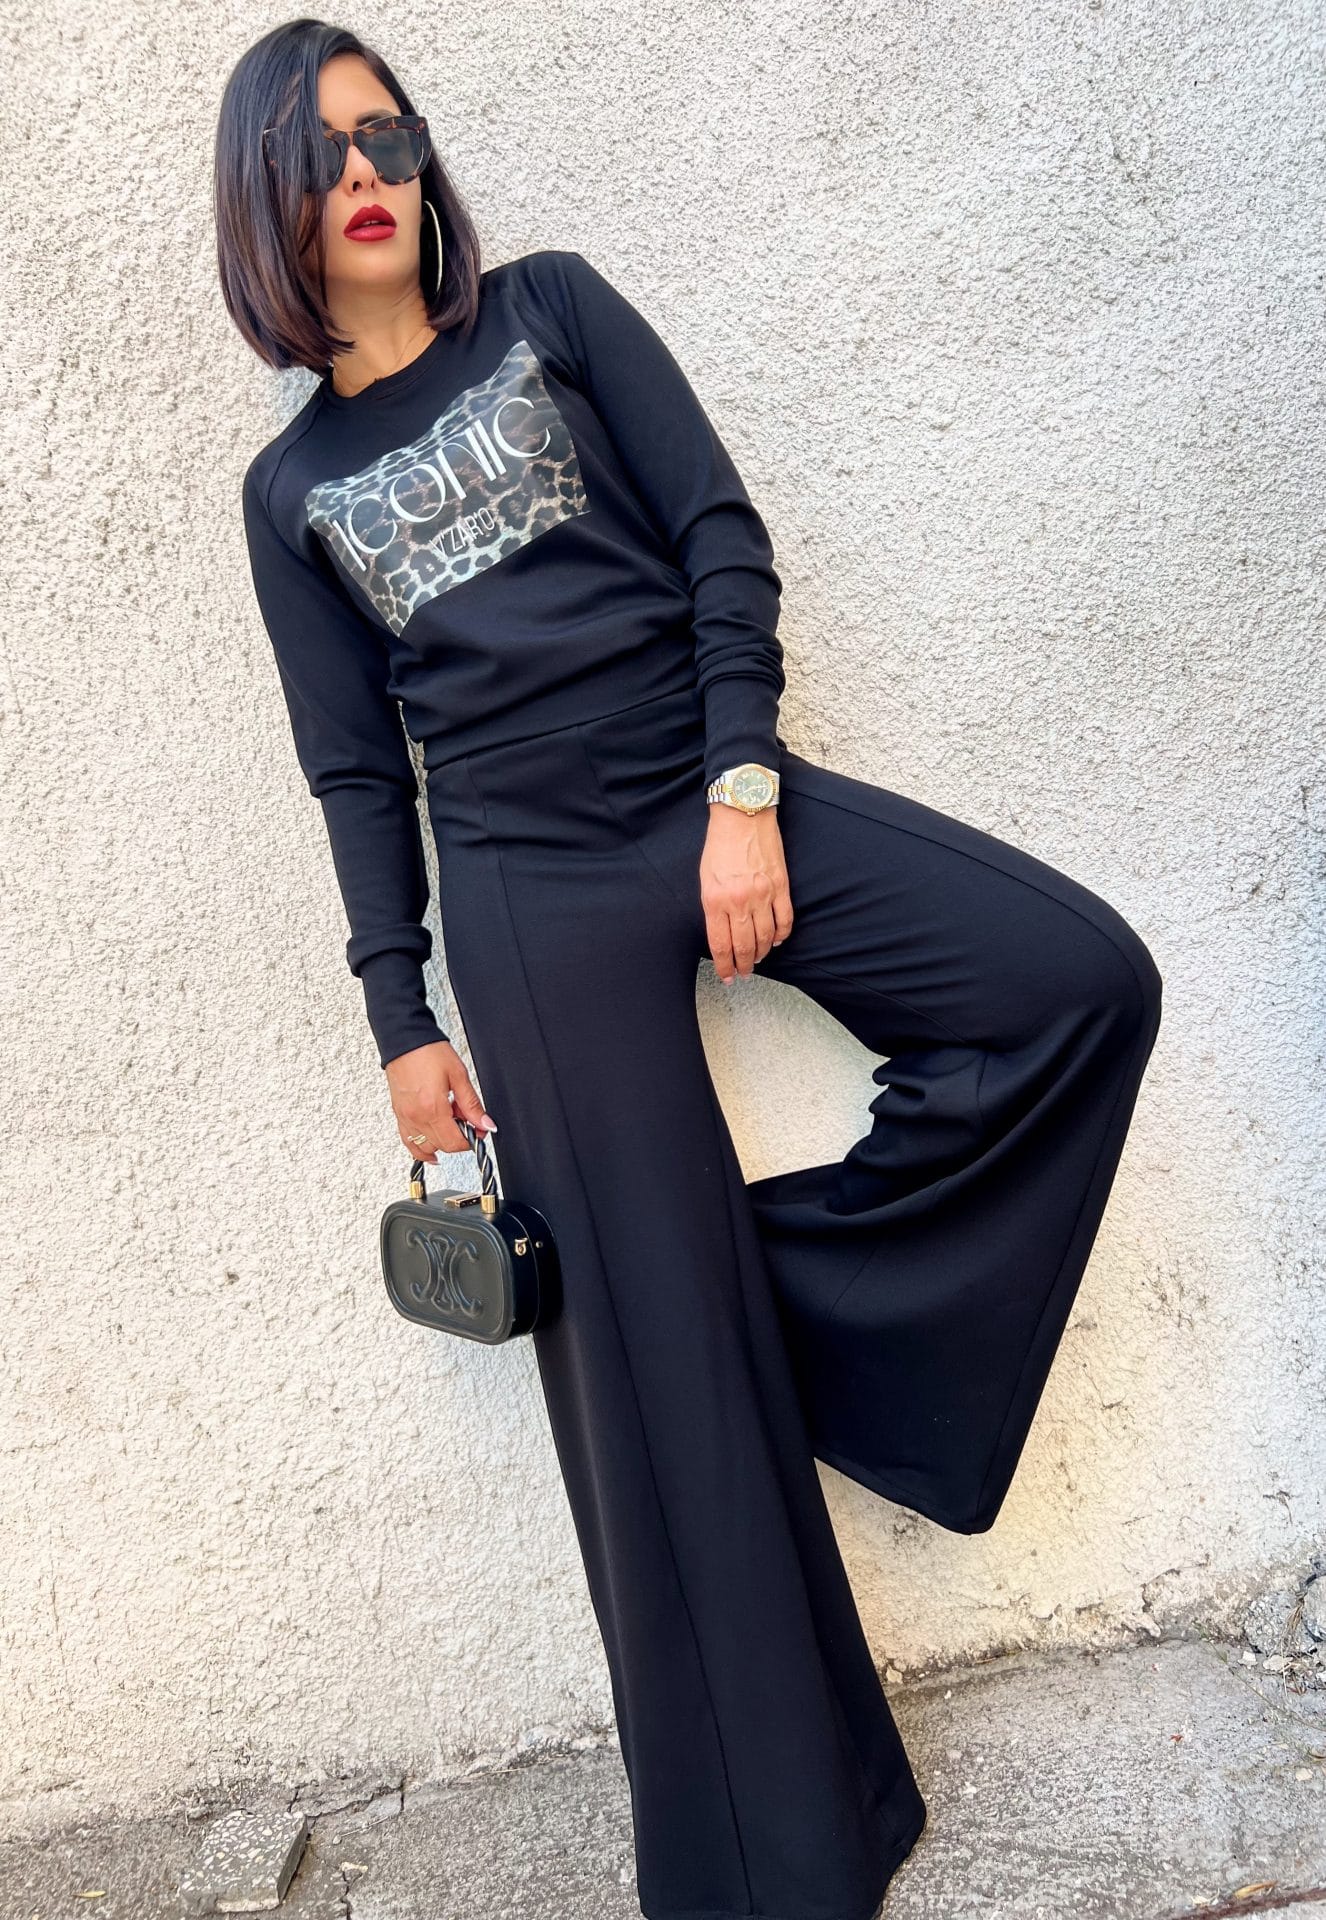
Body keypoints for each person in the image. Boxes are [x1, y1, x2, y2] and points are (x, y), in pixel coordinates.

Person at [215, 20, 1163, 1919]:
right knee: (644, 1406)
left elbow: (722, 540)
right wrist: (400, 1019)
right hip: (522, 888)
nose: (367, 172)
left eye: (385, 133)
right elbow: (355, 772)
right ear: (269, 206)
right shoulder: (290, 488)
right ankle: (776, 1868)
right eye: (320, 154)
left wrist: (742, 793)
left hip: (705, 788)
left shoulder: (552, 310)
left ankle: (744, 1317)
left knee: (1073, 985)